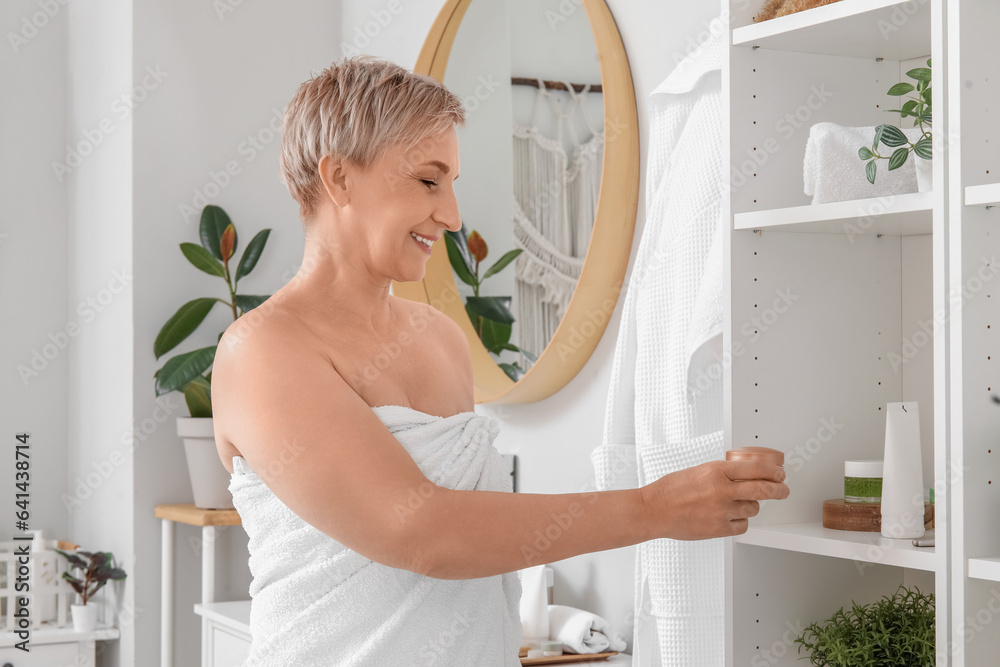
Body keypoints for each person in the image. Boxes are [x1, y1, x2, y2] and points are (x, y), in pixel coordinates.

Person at [210, 55, 789, 666]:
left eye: (452, 184)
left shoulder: (441, 340)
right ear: (339, 178)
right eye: (429, 181)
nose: (453, 215)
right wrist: (653, 507)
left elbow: (469, 567)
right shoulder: (264, 351)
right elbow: (426, 534)